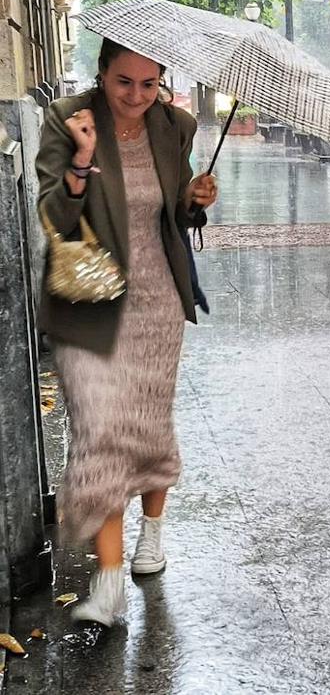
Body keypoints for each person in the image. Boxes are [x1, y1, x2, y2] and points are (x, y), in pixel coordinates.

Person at [35, 39, 218, 626]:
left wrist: (195, 200)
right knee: (100, 431)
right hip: (89, 293)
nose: (136, 96)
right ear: (102, 74)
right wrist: (82, 163)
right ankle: (108, 583)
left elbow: (176, 214)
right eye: (123, 82)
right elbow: (53, 218)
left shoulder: (175, 126)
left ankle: (153, 534)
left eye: (148, 84)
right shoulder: (69, 119)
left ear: (161, 80)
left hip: (157, 299)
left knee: (147, 423)